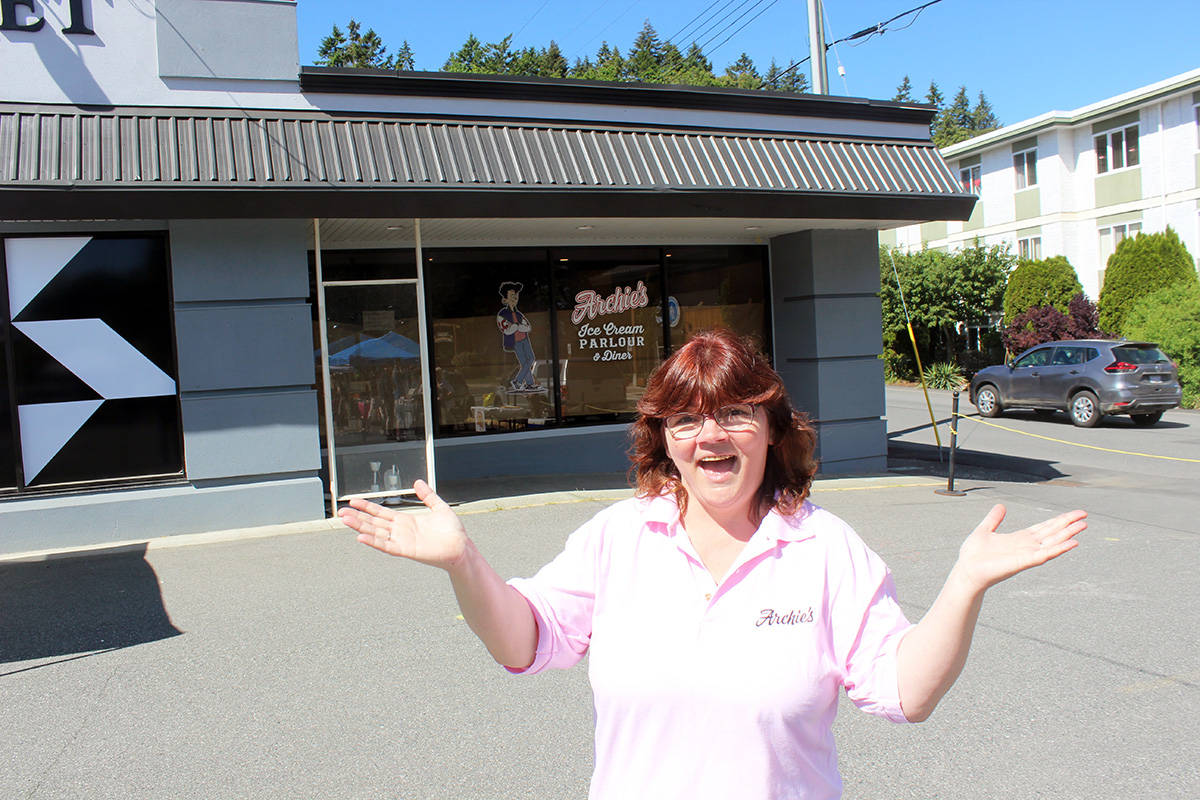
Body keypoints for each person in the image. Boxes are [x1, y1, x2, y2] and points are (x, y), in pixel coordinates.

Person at [338, 329, 1086, 800]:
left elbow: (905, 692)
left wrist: (965, 584)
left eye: (735, 413)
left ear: (771, 429)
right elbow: (523, 641)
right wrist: (464, 561)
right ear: (663, 439)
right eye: (687, 419)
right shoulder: (619, 539)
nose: (711, 436)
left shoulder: (825, 549)